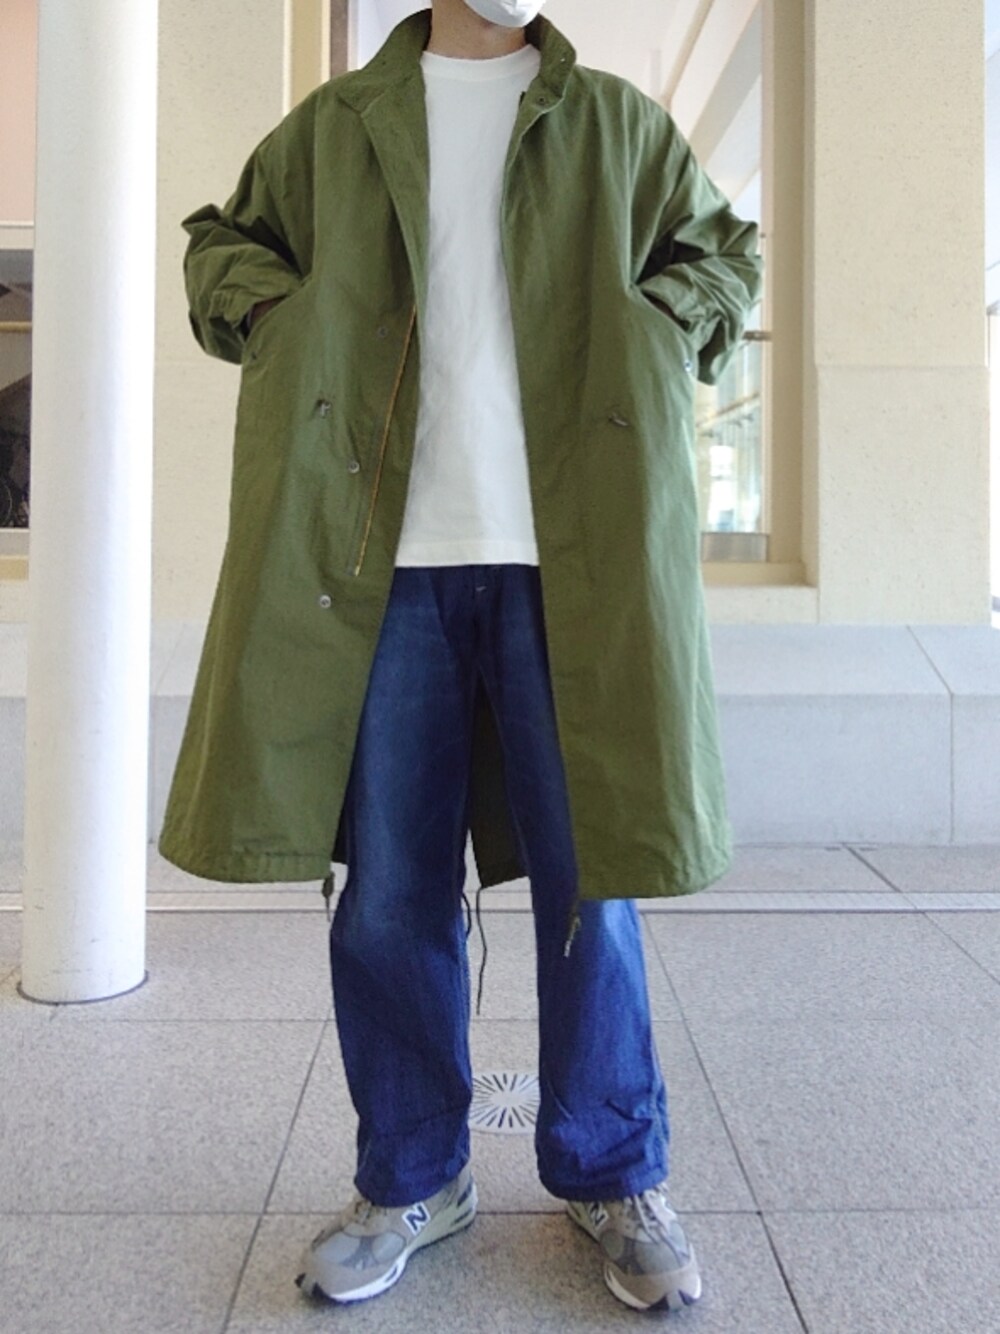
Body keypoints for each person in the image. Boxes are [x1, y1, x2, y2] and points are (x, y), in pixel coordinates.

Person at [163, 0, 762, 1315]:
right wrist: (288, 317)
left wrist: (661, 327)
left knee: (595, 881)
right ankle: (411, 1176)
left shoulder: (615, 124)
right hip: (382, 566)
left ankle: (615, 1169)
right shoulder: (337, 126)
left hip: (573, 562)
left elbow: (723, 253)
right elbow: (221, 248)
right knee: (390, 889)